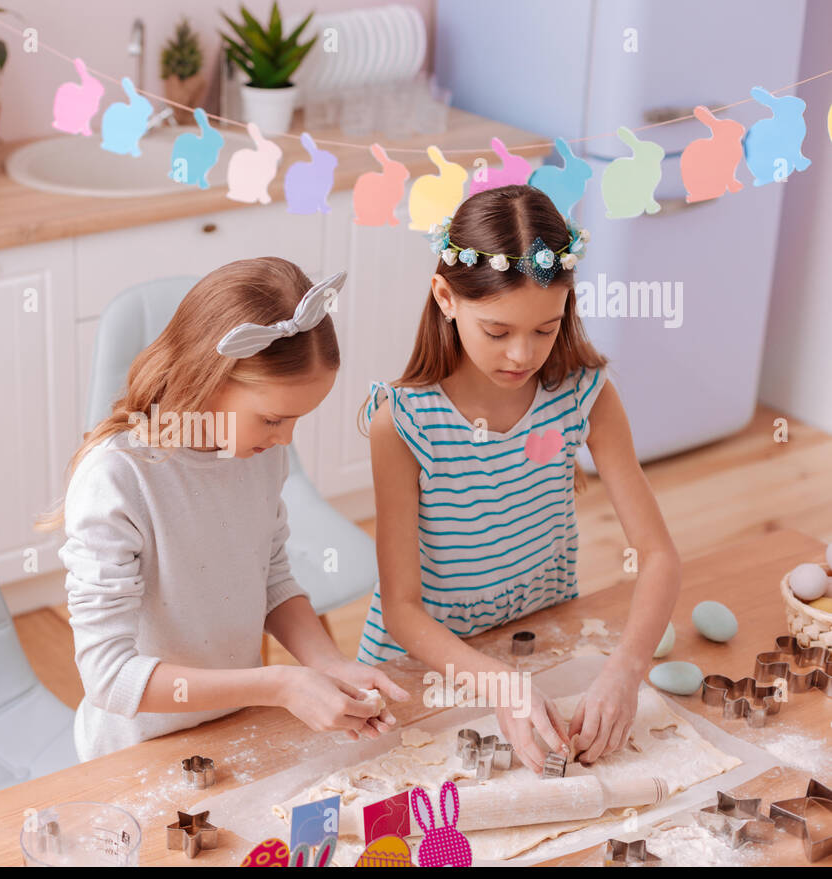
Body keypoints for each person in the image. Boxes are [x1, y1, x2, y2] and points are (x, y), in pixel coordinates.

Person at [359, 184, 680, 772]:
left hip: (541, 643)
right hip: (426, 670)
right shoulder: (402, 422)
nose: (521, 355)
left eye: (546, 328)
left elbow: (658, 555)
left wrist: (627, 670)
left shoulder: (584, 396)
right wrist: (499, 685)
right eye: (498, 331)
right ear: (445, 297)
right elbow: (403, 611)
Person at [40, 257, 408, 761]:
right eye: (274, 419)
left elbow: (272, 575)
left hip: (237, 727)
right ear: (209, 380)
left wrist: (326, 662)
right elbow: (109, 678)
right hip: (141, 748)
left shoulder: (257, 455)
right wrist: (276, 686)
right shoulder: (120, 477)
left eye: (296, 420)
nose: (286, 439)